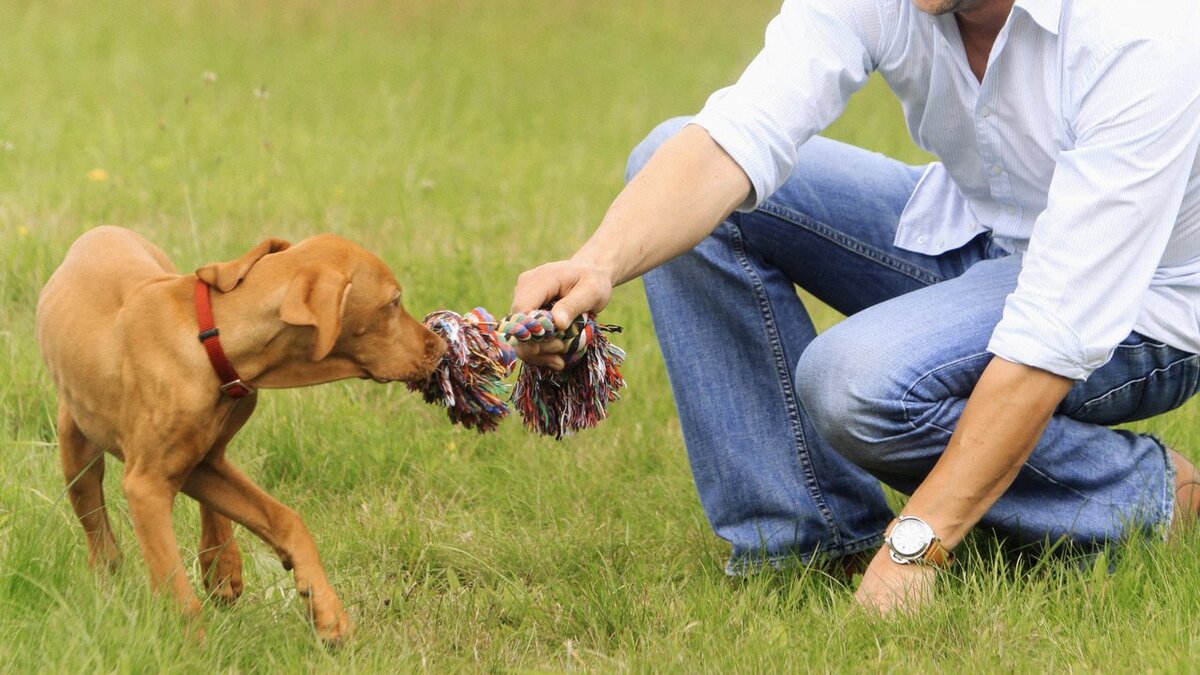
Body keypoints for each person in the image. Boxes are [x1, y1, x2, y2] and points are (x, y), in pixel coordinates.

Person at [509, 0, 1200, 613]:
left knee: (854, 381)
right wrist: (596, 263)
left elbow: (1058, 324)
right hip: (980, 232)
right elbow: (740, 133)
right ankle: (811, 544)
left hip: (1141, 303)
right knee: (673, 156)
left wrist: (917, 545)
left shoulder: (1141, 29)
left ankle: (1143, 495)